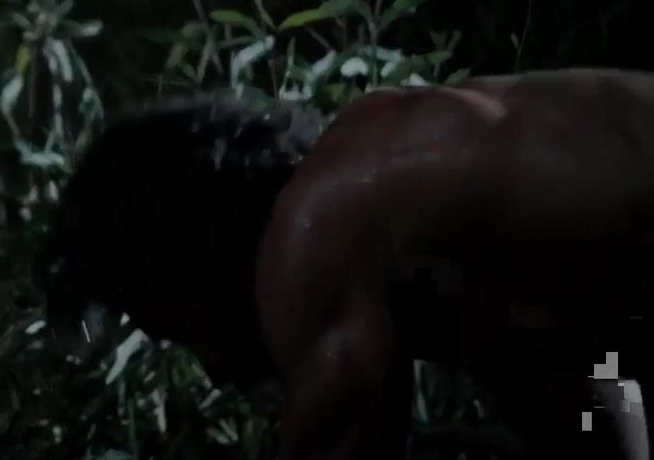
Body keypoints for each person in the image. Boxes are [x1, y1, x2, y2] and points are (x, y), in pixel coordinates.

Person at [39, 68, 654, 459]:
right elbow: (595, 396)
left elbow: (350, 439)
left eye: (180, 332)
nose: (216, 372)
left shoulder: (314, 230)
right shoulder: (453, 245)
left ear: (182, 265)